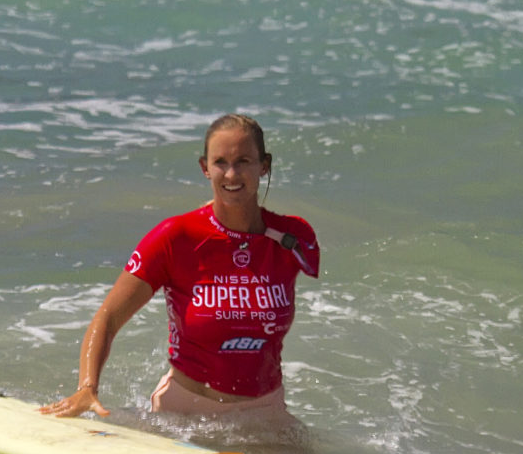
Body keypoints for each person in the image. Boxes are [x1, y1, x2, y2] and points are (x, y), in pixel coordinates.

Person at [41, 114, 319, 427]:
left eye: (243, 161)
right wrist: (87, 388)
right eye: (220, 162)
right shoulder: (176, 237)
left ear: (264, 165)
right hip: (184, 415)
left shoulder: (293, 239)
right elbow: (109, 316)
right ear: (205, 168)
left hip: (266, 415)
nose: (231, 173)